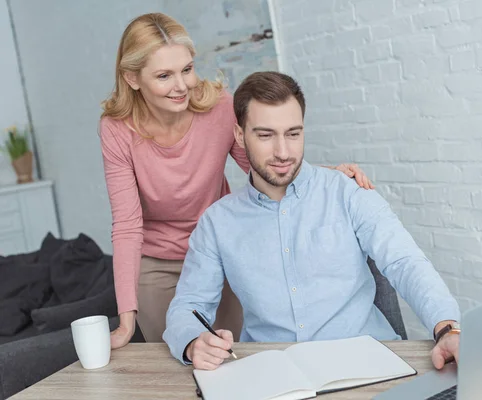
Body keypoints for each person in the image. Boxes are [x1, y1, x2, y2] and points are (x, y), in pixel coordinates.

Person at [99, 13, 373, 348]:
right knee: (181, 361)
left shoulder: (219, 109)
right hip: (158, 264)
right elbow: (127, 224)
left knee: (234, 357)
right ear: (132, 78)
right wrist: (126, 321)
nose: (182, 85)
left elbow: (265, 168)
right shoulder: (116, 130)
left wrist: (327, 175)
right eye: (164, 75)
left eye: (187, 69)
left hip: (220, 251)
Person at [163, 71, 462, 371]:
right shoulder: (217, 222)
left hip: (368, 364)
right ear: (240, 136)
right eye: (266, 135)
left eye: (293, 134)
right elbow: (188, 306)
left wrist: (448, 329)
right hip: (274, 373)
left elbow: (405, 262)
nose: (283, 152)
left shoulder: (348, 192)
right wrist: (192, 341)